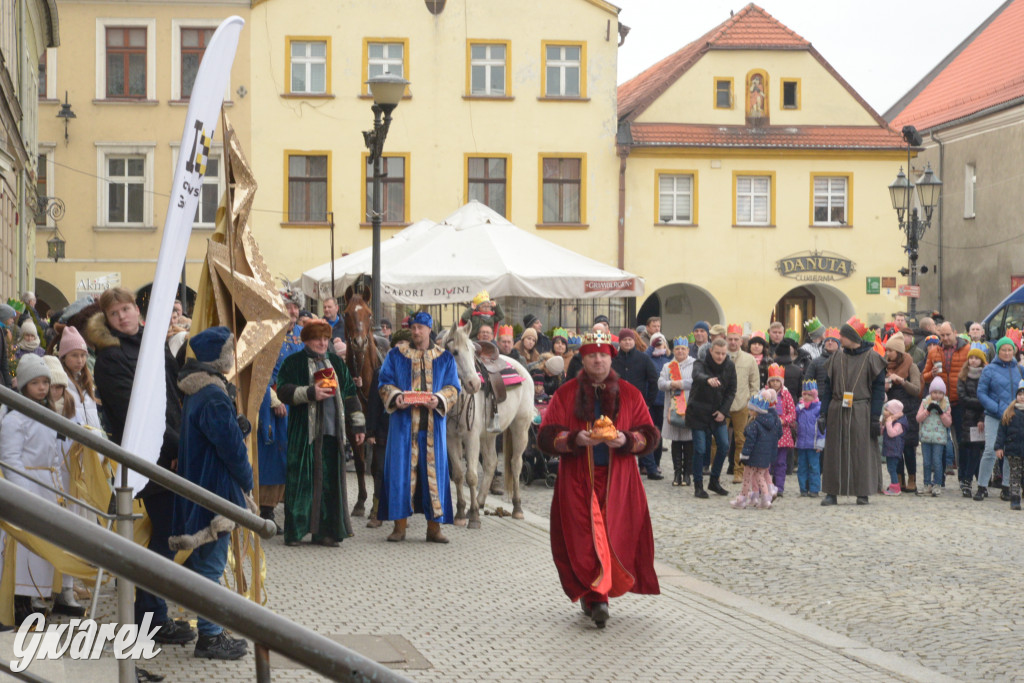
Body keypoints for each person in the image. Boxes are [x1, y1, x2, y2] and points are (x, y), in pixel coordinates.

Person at [85, 287, 194, 645]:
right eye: (115, 314)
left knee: (168, 535)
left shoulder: (151, 343)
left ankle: (154, 614)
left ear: (137, 309)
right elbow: (138, 412)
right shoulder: (110, 359)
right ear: (108, 320)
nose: (123, 317)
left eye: (127, 309)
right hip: (149, 455)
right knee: (165, 536)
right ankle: (152, 618)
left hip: (174, 448)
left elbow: (173, 394)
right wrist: (180, 445)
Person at [537, 330, 660, 628]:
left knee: (613, 537)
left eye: (603, 355)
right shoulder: (566, 393)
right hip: (578, 481)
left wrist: (627, 439)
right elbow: (545, 437)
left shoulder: (630, 393)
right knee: (585, 539)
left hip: (620, 481)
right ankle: (597, 597)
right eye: (592, 355)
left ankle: (597, 593)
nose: (598, 360)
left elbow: (650, 435)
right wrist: (574, 438)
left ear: (611, 359)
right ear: (583, 358)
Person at [170, 327, 252, 659]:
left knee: (206, 562)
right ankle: (210, 637)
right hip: (214, 488)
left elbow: (219, 433)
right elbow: (230, 448)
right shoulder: (214, 395)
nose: (232, 356)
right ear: (217, 358)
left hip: (202, 483)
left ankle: (211, 630)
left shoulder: (200, 391)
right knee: (210, 566)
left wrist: (237, 425)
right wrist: (246, 479)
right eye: (229, 351)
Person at [276, 319, 365, 546]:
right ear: (306, 340)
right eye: (317, 339)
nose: (322, 343)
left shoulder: (336, 362)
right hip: (304, 434)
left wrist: (358, 426)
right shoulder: (293, 362)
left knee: (330, 484)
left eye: (325, 339)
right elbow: (283, 391)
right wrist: (309, 392)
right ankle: (296, 531)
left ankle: (327, 532)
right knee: (301, 481)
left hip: (333, 433)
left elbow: (350, 394)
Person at [377, 311, 460, 543]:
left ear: (429, 329)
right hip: (403, 427)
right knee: (400, 474)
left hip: (433, 428)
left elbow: (454, 387)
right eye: (413, 328)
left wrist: (440, 398)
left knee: (434, 475)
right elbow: (384, 382)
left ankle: (434, 529)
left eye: (420, 328)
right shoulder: (395, 355)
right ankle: (399, 526)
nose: (416, 332)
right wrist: (395, 396)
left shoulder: (445, 358)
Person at [0, 356, 63, 625]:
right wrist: (22, 492)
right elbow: (10, 457)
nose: (41, 388)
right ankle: (19, 602)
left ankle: (36, 597)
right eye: (35, 383)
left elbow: (55, 456)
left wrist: (58, 486)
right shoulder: (15, 419)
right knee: (22, 547)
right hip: (27, 484)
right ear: (24, 385)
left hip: (46, 484)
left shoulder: (49, 415)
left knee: (41, 547)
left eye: (45, 383)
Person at [819, 317, 886, 506]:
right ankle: (832, 492)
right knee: (834, 451)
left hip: (860, 410)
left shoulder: (872, 358)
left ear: (852, 337)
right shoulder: (836, 357)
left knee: (861, 451)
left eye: (843, 335)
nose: (839, 338)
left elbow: (879, 390)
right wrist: (823, 413)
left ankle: (862, 492)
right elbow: (828, 388)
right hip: (837, 408)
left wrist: (875, 417)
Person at [256, 295, 305, 530]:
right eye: (287, 306)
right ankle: (267, 509)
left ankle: (293, 510)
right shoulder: (267, 334)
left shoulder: (304, 335)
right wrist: (273, 399)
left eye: (295, 307)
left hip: (299, 405)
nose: (292, 311)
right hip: (275, 407)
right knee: (273, 458)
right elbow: (259, 373)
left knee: (294, 458)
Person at [686, 338, 736, 498]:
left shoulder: (729, 365)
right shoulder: (700, 363)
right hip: (699, 412)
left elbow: (731, 391)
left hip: (717, 413)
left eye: (723, 353)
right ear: (711, 351)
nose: (720, 356)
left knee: (723, 445)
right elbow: (697, 375)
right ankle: (698, 486)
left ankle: (714, 481)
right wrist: (707, 380)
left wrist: (723, 411)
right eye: (717, 353)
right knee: (700, 449)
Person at [975, 337, 1022, 501]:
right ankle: (982, 486)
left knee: (1011, 451)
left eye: (1010, 350)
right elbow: (981, 393)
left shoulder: (1020, 369)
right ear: (998, 351)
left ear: (1014, 351)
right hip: (994, 415)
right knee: (990, 450)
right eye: (1004, 350)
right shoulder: (989, 370)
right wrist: (998, 409)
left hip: (1014, 416)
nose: (1007, 353)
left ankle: (1007, 486)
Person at [922, 322, 969, 482]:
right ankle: (939, 480)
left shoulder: (967, 349)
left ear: (955, 333)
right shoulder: (934, 351)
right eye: (942, 335)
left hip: (958, 401)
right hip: (939, 402)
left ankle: (963, 478)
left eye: (948, 334)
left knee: (960, 442)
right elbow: (924, 376)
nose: (946, 338)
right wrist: (931, 374)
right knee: (939, 441)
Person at [612, 328, 660, 479]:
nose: (627, 342)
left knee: (642, 434)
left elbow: (653, 381)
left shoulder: (643, 359)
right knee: (620, 435)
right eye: (624, 340)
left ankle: (651, 469)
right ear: (619, 342)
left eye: (630, 340)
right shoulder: (613, 359)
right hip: (618, 404)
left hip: (639, 404)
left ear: (634, 341)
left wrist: (648, 402)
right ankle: (621, 468)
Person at [883, 332, 922, 494]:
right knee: (894, 447)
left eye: (890, 350)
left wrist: (901, 381)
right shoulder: (885, 366)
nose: (887, 353)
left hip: (909, 411)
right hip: (892, 412)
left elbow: (917, 389)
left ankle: (912, 478)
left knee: (908, 447)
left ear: (898, 351)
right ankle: (898, 479)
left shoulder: (911, 366)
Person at [730, 389, 781, 509]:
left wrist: (744, 456)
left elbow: (749, 443)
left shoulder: (754, 425)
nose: (749, 411)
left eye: (751, 409)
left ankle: (742, 499)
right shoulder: (770, 423)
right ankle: (765, 499)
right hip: (764, 456)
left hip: (752, 457)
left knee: (747, 478)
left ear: (756, 411)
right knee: (760, 476)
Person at [725, 324, 759, 484]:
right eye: (730, 339)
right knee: (717, 441)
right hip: (722, 404)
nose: (732, 342)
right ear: (725, 339)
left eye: (735, 339)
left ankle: (738, 472)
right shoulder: (720, 355)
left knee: (741, 440)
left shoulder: (749, 359)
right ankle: (715, 470)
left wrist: (752, 401)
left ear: (741, 341)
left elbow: (754, 383)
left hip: (742, 404)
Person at [659, 336, 694, 486]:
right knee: (675, 441)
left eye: (683, 349)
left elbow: (696, 381)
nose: (680, 351)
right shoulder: (668, 366)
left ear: (688, 350)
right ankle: (677, 472)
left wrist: (680, 383)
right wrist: (671, 384)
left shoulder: (695, 364)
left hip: (689, 408)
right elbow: (660, 384)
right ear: (674, 350)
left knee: (688, 441)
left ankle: (687, 473)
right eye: (677, 349)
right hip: (673, 409)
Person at [957, 343, 988, 497]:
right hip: (966, 417)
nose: (973, 361)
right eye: (971, 358)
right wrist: (980, 401)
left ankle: (972, 480)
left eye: (977, 358)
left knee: (977, 450)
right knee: (967, 449)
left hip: (981, 418)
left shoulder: (986, 375)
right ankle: (967, 479)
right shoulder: (963, 375)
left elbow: (988, 398)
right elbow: (962, 398)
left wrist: (982, 414)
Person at [917, 378, 953, 496]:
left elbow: (948, 423)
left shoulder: (946, 404)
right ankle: (927, 484)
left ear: (943, 394)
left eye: (940, 393)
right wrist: (927, 411)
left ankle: (937, 484)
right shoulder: (925, 402)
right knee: (926, 462)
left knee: (937, 462)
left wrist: (941, 413)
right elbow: (918, 418)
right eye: (935, 392)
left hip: (939, 438)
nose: (937, 395)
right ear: (931, 392)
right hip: (926, 437)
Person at [765, 364, 795, 497]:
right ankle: (766, 486)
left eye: (778, 380)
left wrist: (784, 420)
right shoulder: (764, 393)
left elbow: (792, 413)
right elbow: (760, 409)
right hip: (767, 432)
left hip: (783, 434)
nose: (775, 383)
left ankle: (779, 487)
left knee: (781, 462)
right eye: (773, 380)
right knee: (767, 463)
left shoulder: (786, 395)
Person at [995, 381, 1024, 511]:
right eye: (1020, 394)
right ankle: (1015, 499)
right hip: (1014, 450)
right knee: (1015, 475)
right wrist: (999, 447)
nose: (1022, 397)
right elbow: (1001, 432)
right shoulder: (1010, 412)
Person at [645, 332, 671, 472]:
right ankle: (646, 463)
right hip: (650, 401)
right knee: (649, 432)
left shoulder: (668, 359)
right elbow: (643, 357)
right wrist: (652, 346)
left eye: (661, 343)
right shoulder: (648, 358)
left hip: (663, 401)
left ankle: (657, 462)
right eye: (656, 343)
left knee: (659, 434)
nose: (659, 346)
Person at [795, 380, 822, 497]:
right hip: (801, 444)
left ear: (814, 395)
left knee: (814, 467)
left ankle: (814, 489)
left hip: (814, 444)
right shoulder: (799, 408)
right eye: (804, 394)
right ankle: (803, 488)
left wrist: (820, 444)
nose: (806, 396)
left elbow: (822, 429)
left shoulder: (818, 409)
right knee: (802, 467)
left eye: (809, 395)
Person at [882, 399, 908, 496]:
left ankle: (896, 487)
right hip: (889, 449)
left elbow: (891, 433)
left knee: (892, 468)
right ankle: (893, 484)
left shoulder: (899, 423)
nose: (884, 412)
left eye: (886, 410)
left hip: (894, 450)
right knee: (890, 468)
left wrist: (888, 423)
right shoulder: (892, 420)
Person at [0, 303, 15, 388]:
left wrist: (8, 383)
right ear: (4, 318)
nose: (12, 321)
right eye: (10, 318)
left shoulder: (3, 332)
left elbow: (3, 360)